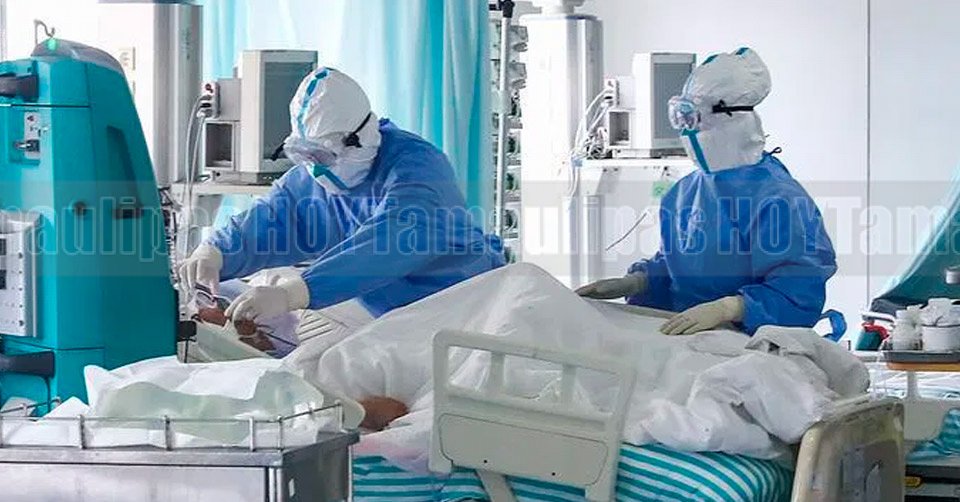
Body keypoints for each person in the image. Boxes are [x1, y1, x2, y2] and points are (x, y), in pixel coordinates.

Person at [179, 67, 505, 323]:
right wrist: (214, 253)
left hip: (465, 308)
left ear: (358, 139)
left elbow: (388, 244)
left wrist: (294, 293)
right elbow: (272, 218)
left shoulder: (419, 170)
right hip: (389, 314)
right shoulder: (314, 182)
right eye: (304, 157)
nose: (316, 172)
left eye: (322, 157)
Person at [577, 48, 837, 336]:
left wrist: (731, 308)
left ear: (735, 118)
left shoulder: (779, 200)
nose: (686, 131)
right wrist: (638, 282)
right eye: (680, 116)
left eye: (694, 117)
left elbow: (798, 292)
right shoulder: (682, 193)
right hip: (688, 344)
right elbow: (677, 267)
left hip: (751, 348)